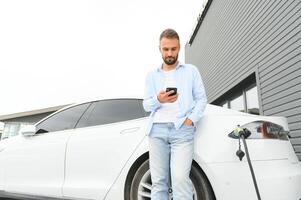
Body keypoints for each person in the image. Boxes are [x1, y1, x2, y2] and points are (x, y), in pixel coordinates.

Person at [143, 28, 207, 200]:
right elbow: (146, 105)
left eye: (173, 49)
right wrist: (159, 99)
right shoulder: (151, 76)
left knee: (180, 180)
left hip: (182, 130)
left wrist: (190, 120)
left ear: (179, 48)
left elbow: (202, 100)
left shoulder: (191, 71)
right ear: (160, 49)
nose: (169, 53)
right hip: (156, 131)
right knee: (158, 182)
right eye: (166, 49)